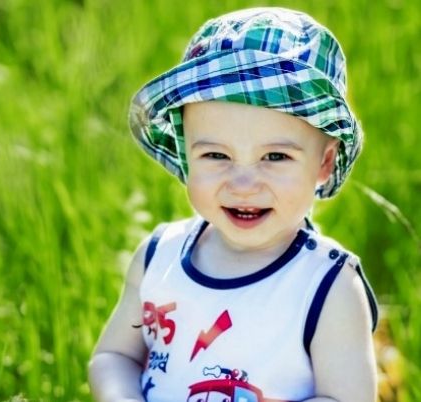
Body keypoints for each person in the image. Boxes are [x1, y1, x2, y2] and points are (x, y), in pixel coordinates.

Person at [88, 7, 378, 402]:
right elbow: (114, 355)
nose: (243, 184)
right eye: (215, 156)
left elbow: (345, 397)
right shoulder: (158, 257)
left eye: (275, 157)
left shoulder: (327, 286)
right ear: (186, 153)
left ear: (324, 163)